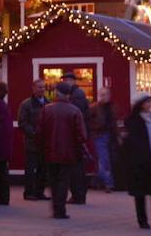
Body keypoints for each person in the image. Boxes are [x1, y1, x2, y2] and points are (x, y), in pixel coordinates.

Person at [38, 81, 88, 220]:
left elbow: (39, 132)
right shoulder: (74, 111)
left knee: (53, 180)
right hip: (68, 153)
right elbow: (82, 135)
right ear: (68, 95)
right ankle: (61, 209)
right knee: (63, 181)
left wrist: (41, 148)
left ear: (56, 93)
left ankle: (56, 207)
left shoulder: (46, 109)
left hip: (49, 151)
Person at [122, 93, 151, 229]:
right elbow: (131, 142)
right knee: (140, 193)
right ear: (140, 104)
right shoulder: (133, 120)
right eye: (147, 102)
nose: (150, 105)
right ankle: (142, 221)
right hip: (140, 161)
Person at [61, 71, 90, 204]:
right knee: (77, 167)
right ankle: (79, 193)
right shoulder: (79, 93)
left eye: (66, 80)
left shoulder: (76, 95)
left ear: (71, 80)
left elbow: (75, 115)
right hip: (78, 135)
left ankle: (78, 194)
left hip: (75, 136)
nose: (65, 82)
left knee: (76, 168)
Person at [18, 79, 49, 200]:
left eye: (43, 87)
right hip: (31, 142)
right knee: (31, 169)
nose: (42, 89)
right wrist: (33, 133)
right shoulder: (26, 104)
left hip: (44, 142)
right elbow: (22, 122)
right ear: (33, 88)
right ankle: (29, 192)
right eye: (39, 87)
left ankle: (40, 191)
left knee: (43, 168)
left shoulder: (48, 103)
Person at [87, 87, 118, 192]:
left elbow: (114, 122)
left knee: (107, 159)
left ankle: (98, 181)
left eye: (106, 94)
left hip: (110, 135)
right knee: (103, 159)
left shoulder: (112, 107)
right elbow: (87, 120)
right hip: (100, 135)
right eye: (102, 94)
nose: (105, 97)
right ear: (99, 96)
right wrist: (94, 129)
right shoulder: (94, 107)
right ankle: (109, 183)